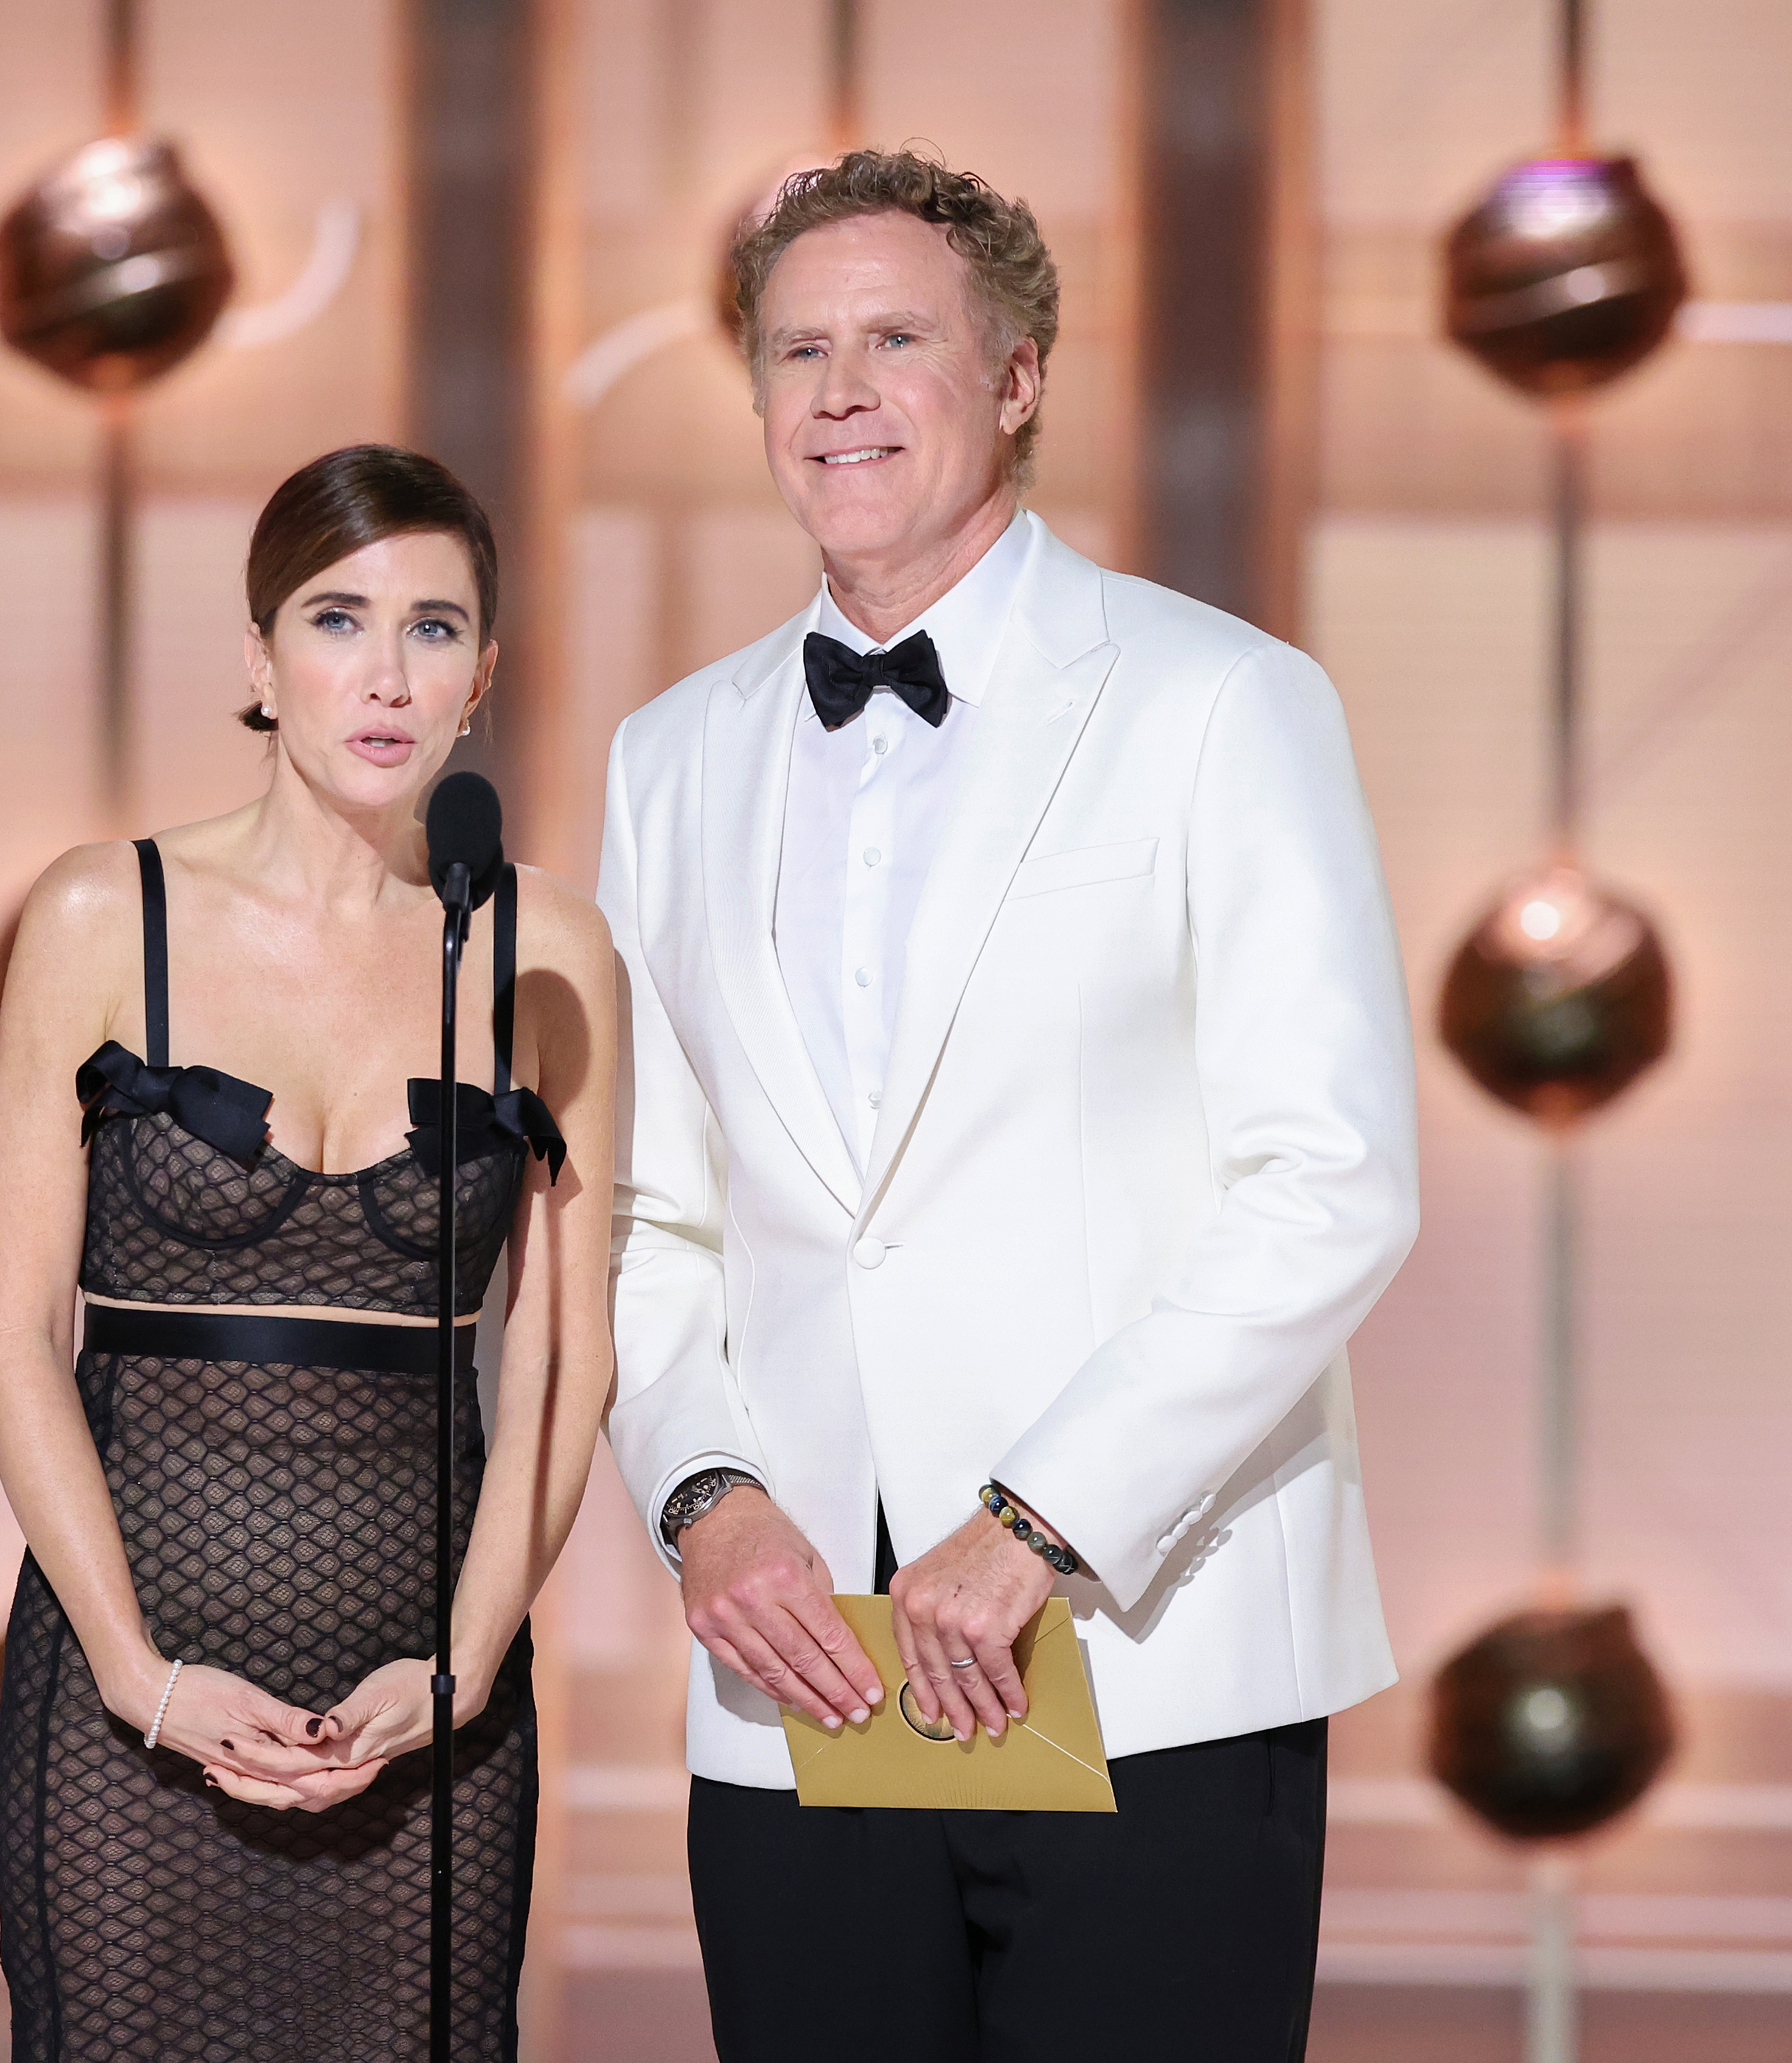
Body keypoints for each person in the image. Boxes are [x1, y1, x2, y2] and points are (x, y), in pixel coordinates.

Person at [598, 150, 1420, 2059]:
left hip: (1149, 1648)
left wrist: (1040, 1521)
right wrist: (705, 1500)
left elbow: (1332, 1180)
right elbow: (645, 1206)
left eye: (898, 339)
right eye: (798, 349)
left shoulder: (1223, 702)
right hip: (800, 1666)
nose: (841, 391)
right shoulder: (670, 757)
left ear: (1020, 376)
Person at [0, 444, 617, 2061]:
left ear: (485, 675)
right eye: (338, 620)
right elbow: (6, 1331)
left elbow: (560, 1349)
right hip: (132, 1690)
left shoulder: (545, 944)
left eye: (434, 627)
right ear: (258, 658)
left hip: (429, 1702)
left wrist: (465, 1664)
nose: (385, 675)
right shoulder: (97, 913)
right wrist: (139, 1674)